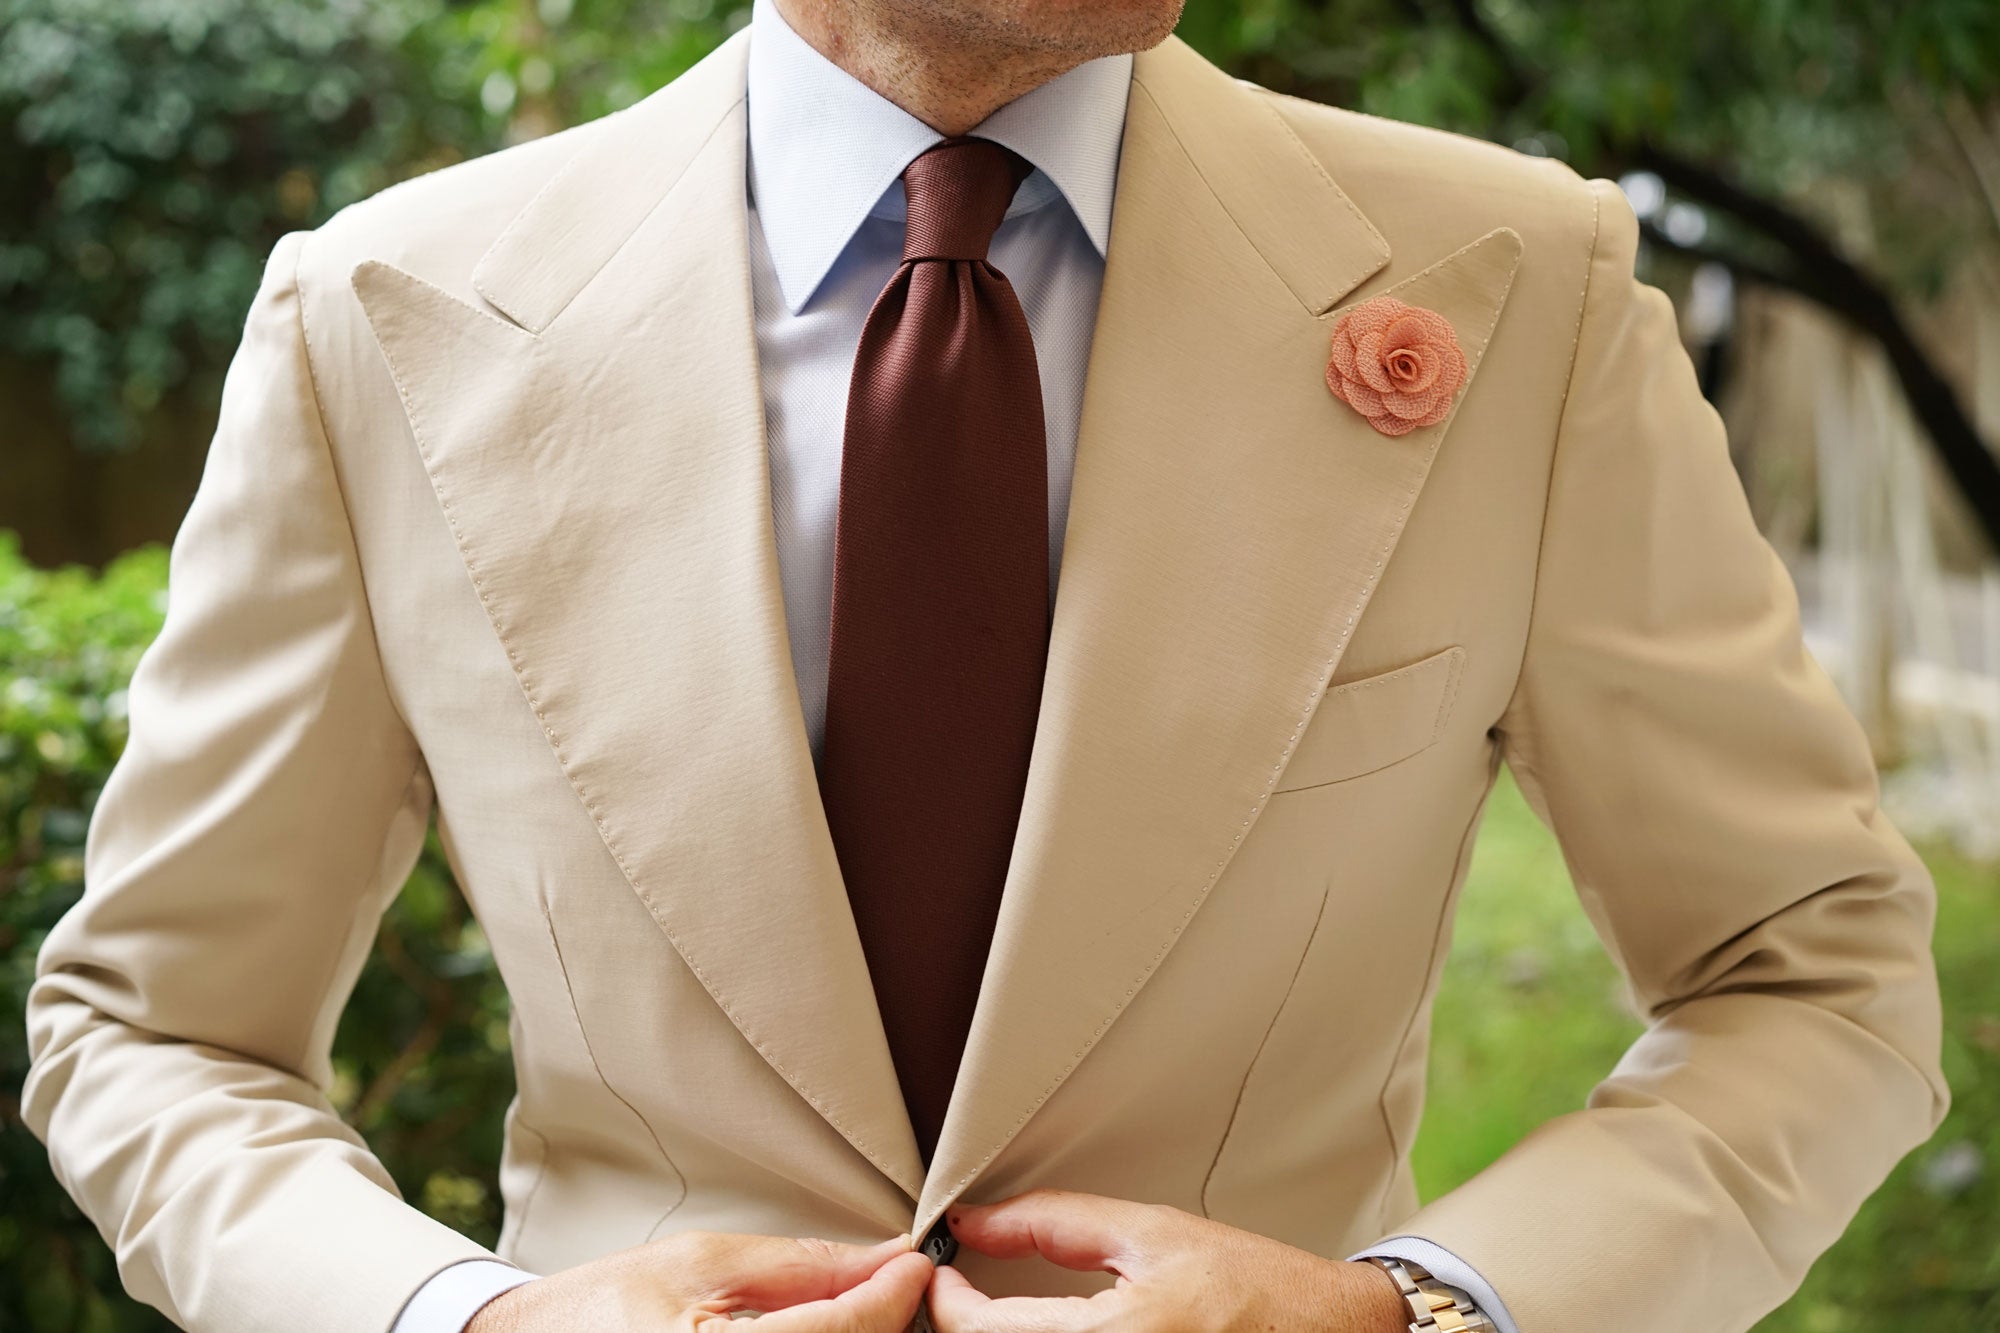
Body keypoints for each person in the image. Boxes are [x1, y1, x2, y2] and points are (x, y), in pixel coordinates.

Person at [21, 0, 1950, 1330]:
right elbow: (156, 1029)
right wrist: (466, 1315)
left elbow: (1816, 979)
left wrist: (1413, 1308)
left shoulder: (1519, 291)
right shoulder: (378, 318)